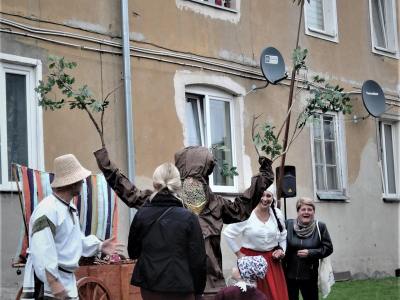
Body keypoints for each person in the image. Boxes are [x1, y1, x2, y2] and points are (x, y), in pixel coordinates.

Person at [94, 147, 274, 294]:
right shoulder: (167, 201)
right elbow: (132, 194)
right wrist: (107, 165)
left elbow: (132, 194)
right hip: (184, 285)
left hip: (199, 285)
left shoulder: (214, 204)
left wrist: (264, 178)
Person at [21, 154, 122, 300]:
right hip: (49, 284)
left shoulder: (70, 208)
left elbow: (74, 241)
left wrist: (99, 246)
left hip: (65, 280)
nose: (82, 182)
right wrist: (53, 282)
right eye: (80, 180)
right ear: (72, 183)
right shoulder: (48, 210)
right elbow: (42, 249)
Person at [127, 162, 206, 300]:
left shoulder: (141, 215)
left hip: (150, 287)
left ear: (155, 183)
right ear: (178, 185)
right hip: (181, 288)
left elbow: (133, 252)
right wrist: (199, 291)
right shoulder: (189, 218)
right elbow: (198, 260)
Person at [223, 185, 289, 300]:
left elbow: (283, 235)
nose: (264, 199)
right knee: (252, 296)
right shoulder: (247, 214)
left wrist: (281, 251)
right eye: (261, 195)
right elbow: (228, 233)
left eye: (268, 195)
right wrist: (239, 254)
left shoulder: (277, 214)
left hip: (272, 262)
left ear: (272, 197)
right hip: (250, 262)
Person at [284, 197, 333, 300]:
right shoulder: (288, 225)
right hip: (289, 276)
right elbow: (280, 243)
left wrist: (311, 253)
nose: (306, 212)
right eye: (303, 209)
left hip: (309, 276)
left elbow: (328, 248)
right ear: (298, 211)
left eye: (310, 209)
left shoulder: (320, 226)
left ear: (313, 212)